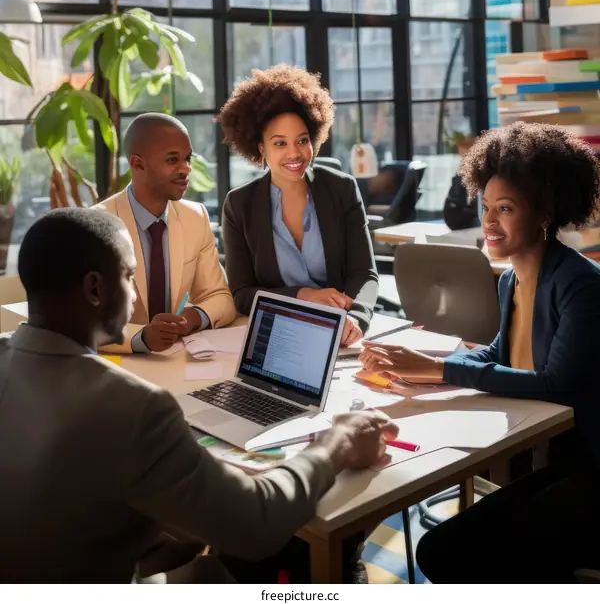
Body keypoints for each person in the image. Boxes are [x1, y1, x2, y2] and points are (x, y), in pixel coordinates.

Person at [0, 207, 397, 584]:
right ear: (94, 288)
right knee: (228, 569)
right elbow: (256, 523)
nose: (136, 295)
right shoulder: (134, 406)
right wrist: (338, 442)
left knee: (204, 554)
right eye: (129, 276)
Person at [360, 122, 600, 584]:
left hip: (587, 472)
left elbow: (556, 384)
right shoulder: (510, 278)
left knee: (446, 554)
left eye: (505, 209)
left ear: (544, 213)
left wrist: (438, 368)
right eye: (486, 206)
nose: (489, 221)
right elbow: (500, 353)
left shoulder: (581, 286)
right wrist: (419, 370)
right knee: (441, 549)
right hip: (543, 456)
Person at [217, 65, 378, 346]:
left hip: (341, 332)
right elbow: (241, 294)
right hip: (281, 333)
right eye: (280, 143)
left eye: (302, 141)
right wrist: (303, 294)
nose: (295, 153)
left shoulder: (342, 189)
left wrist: (357, 319)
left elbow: (364, 274)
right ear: (260, 149)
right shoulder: (240, 204)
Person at [99, 113, 235, 353]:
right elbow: (82, 318)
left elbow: (220, 297)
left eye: (187, 159)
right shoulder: (97, 224)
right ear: (137, 164)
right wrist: (142, 337)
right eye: (173, 160)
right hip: (118, 364)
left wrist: (194, 317)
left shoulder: (196, 217)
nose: (186, 169)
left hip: (174, 359)